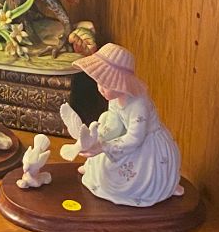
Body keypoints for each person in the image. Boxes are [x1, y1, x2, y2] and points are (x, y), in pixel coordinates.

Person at [72, 43, 183, 207]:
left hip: (145, 144)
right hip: (126, 138)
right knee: (102, 158)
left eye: (106, 85)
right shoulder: (115, 97)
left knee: (127, 174)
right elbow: (114, 123)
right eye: (99, 83)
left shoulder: (138, 104)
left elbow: (135, 138)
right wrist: (97, 139)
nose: (101, 89)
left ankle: (165, 184)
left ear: (120, 83)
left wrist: (104, 147)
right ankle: (94, 171)